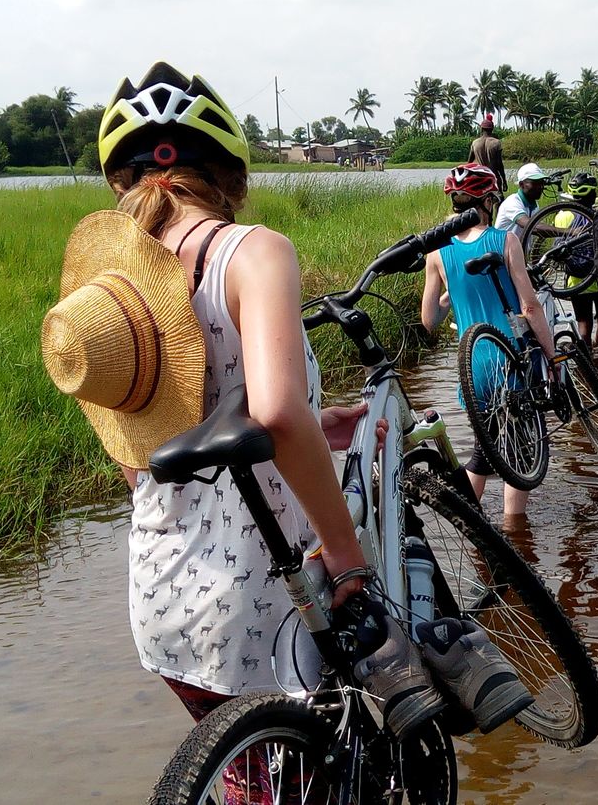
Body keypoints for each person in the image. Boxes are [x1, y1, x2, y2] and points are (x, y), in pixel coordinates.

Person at [44, 63, 519, 736]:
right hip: (266, 599)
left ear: (119, 181)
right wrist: (345, 547)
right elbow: (271, 413)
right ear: (230, 173)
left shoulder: (112, 294)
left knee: (250, 774)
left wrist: (316, 422)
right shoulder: (251, 252)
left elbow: (142, 458)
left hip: (164, 596)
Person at [420, 164, 558, 522]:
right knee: (521, 454)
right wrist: (552, 354)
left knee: (485, 450)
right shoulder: (504, 240)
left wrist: (452, 295)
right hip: (510, 358)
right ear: (489, 200)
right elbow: (529, 306)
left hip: (473, 366)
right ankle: (515, 531)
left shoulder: (437, 252)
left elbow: (429, 320)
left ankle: (471, 529)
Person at [565, 172, 598, 356]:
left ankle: (585, 359)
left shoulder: (561, 215)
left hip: (575, 278)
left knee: (583, 320)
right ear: (593, 195)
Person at [495, 162, 550, 243]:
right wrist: (570, 232)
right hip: (503, 254)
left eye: (542, 183)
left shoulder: (534, 206)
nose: (540, 187)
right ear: (521, 184)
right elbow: (531, 226)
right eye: (535, 183)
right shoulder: (512, 203)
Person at [469, 114, 507, 191]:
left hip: (479, 178)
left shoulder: (475, 143)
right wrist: (504, 180)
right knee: (498, 200)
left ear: (481, 129)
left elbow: (469, 163)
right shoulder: (496, 143)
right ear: (492, 129)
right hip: (493, 177)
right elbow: (499, 164)